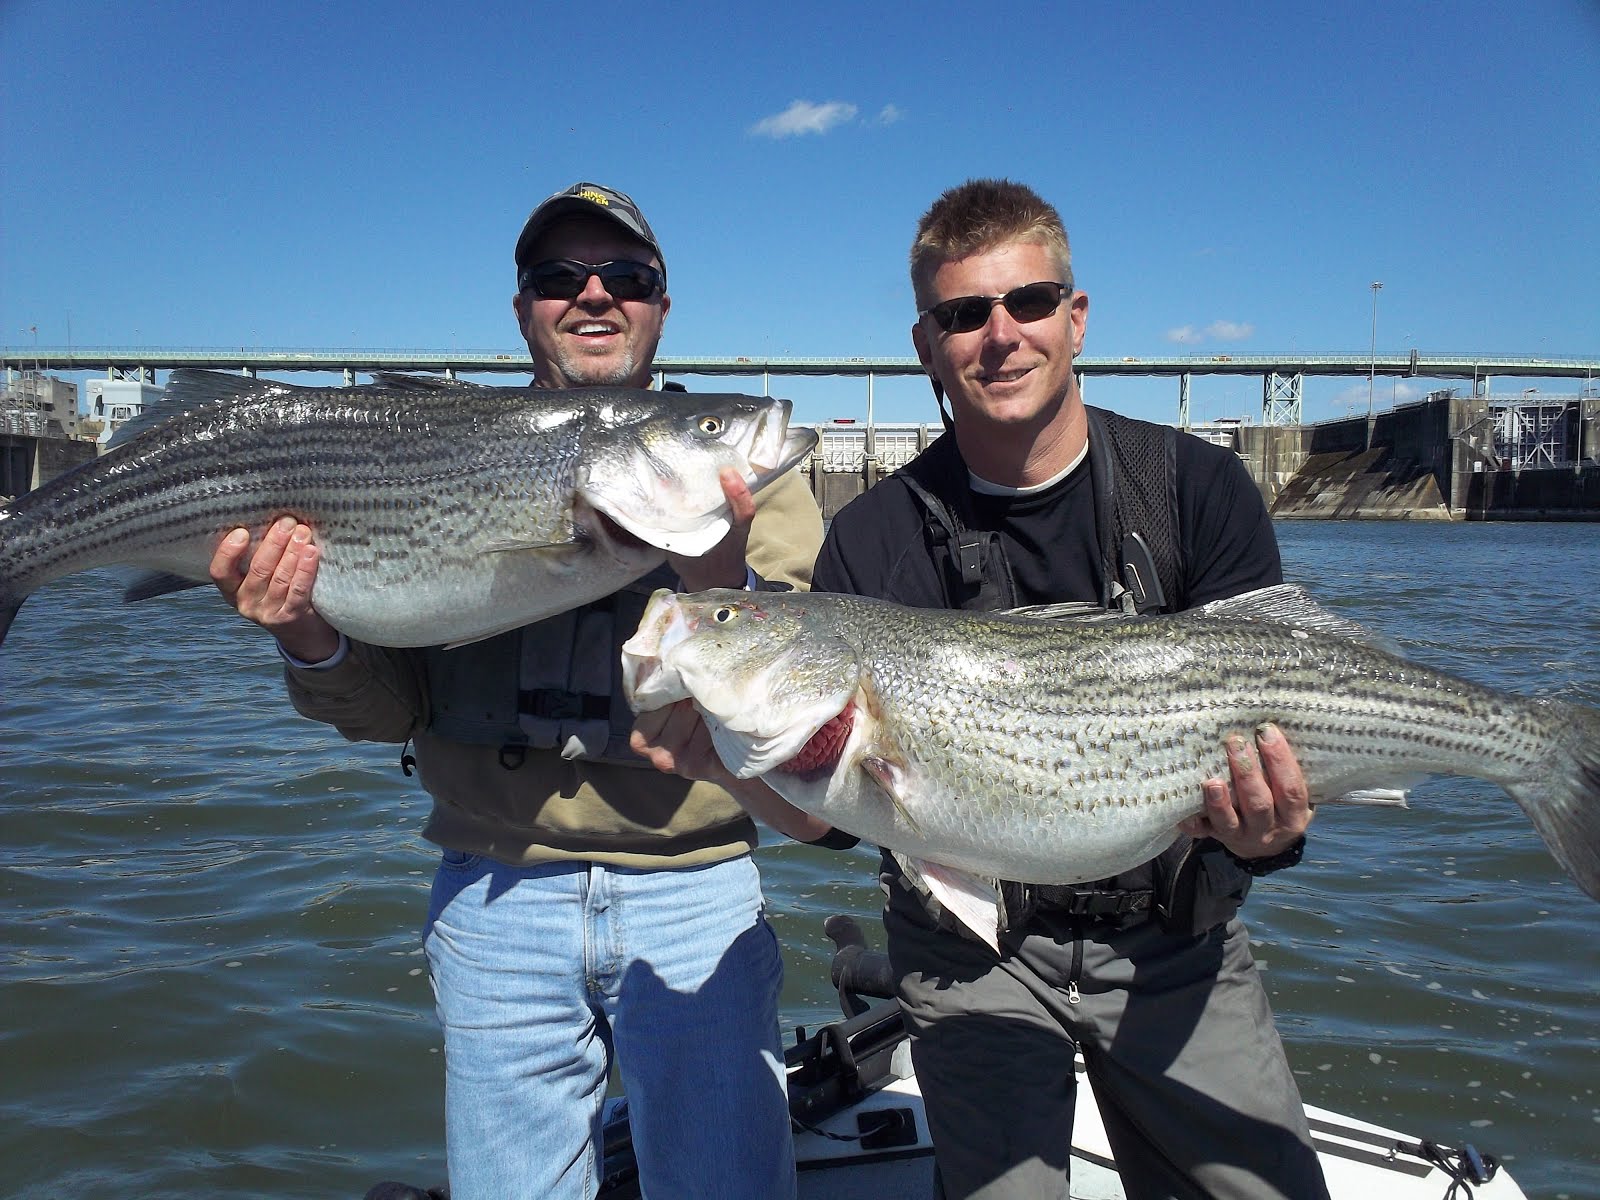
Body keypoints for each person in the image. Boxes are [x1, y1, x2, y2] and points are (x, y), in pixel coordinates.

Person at [634, 178, 1329, 1200]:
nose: (1000, 336)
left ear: (1076, 318)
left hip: (1176, 937)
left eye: (1029, 303)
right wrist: (729, 765)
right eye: (964, 315)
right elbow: (839, 822)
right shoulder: (870, 538)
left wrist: (1269, 836)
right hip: (966, 960)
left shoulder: (1196, 488)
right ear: (926, 344)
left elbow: (1280, 733)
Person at [209, 181, 824, 1200]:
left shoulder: (749, 476)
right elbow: (386, 715)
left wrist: (724, 586)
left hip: (695, 889)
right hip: (492, 892)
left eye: (626, 276)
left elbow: (809, 724)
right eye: (557, 277)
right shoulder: (426, 452)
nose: (593, 294)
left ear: (662, 305)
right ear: (522, 310)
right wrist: (310, 637)